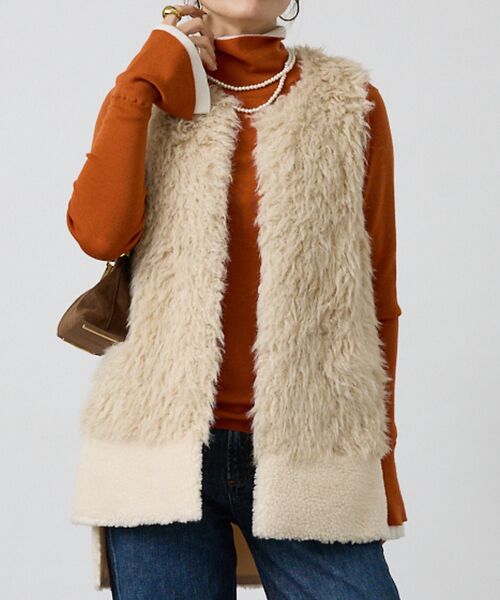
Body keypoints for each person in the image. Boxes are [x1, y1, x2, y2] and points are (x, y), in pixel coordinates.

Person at [66, 1, 407, 597]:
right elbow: (99, 234)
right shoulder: (147, 93)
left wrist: (383, 458)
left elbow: (377, 297)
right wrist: (142, 79)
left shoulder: (351, 103)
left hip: (310, 444)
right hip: (157, 440)